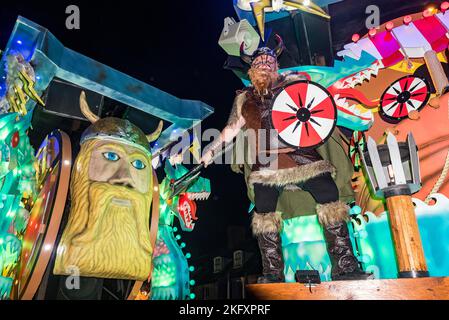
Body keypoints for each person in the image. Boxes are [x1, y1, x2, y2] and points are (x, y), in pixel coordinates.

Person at [201, 36, 371, 283]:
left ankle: (345, 266)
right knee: (265, 212)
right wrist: (210, 151)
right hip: (266, 165)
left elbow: (315, 108)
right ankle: (272, 274)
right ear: (251, 69)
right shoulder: (243, 99)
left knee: (329, 196)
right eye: (260, 61)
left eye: (270, 61)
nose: (265, 64)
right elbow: (230, 131)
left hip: (302, 158)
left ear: (276, 66)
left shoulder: (294, 85)